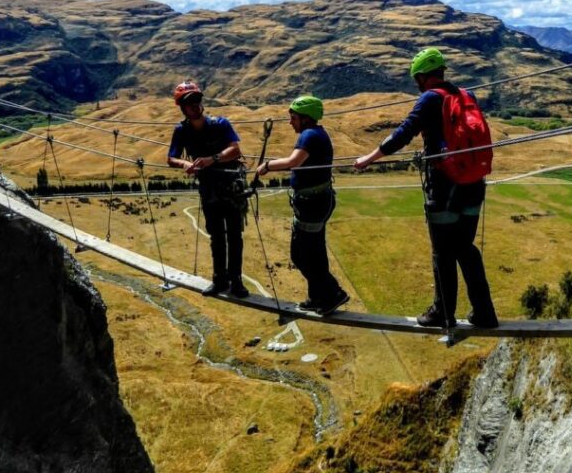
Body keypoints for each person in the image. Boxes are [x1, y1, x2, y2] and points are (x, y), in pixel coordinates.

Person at [354, 48, 498, 329]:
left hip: (445, 186)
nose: (416, 84)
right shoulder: (467, 96)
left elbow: (404, 133)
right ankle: (484, 312)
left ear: (422, 76)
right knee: (465, 248)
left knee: (443, 251)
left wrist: (369, 158)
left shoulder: (430, 98)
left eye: (416, 78)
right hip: (473, 183)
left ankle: (442, 313)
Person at [257, 96, 349, 315]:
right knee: (315, 252)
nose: (291, 123)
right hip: (317, 201)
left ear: (306, 119)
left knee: (300, 255)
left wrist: (267, 166)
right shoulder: (317, 133)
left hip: (312, 204)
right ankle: (317, 297)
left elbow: (293, 162)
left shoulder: (309, 135)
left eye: (294, 118)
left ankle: (333, 293)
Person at [166, 80, 250, 298]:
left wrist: (212, 159)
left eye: (197, 101)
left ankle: (236, 280)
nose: (195, 105)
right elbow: (171, 158)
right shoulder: (181, 131)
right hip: (209, 188)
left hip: (231, 188)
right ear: (182, 108)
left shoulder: (220, 124)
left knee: (234, 235)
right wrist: (186, 164)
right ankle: (220, 279)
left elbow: (235, 150)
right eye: (189, 103)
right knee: (216, 235)